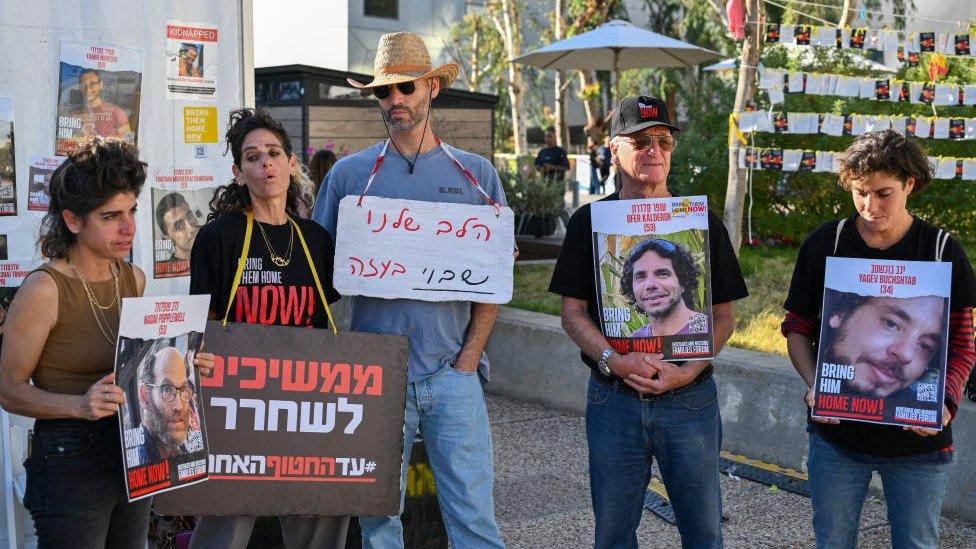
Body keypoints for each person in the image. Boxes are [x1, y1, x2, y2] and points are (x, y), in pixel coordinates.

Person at [312, 32, 505, 549]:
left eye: (406, 88)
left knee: (474, 517)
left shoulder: (477, 176)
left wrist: (470, 358)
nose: (395, 100)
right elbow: (317, 275)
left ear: (432, 88)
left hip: (452, 374)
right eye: (383, 92)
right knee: (377, 518)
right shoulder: (350, 177)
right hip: (374, 375)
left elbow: (494, 282)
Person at [549, 95, 747, 549]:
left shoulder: (702, 223)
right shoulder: (589, 223)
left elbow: (724, 317)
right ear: (613, 150)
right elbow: (572, 313)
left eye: (662, 140)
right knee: (613, 534)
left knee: (704, 532)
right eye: (639, 141)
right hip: (614, 400)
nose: (653, 150)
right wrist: (610, 360)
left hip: (690, 400)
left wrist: (689, 370)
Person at [0, 137, 213, 548]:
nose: (130, 227)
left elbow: (138, 367)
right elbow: (9, 391)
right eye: (111, 216)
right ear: (74, 220)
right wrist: (77, 405)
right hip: (69, 456)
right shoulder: (44, 288)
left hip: (132, 449)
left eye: (132, 210)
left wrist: (187, 365)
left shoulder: (132, 278)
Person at [782, 130, 976, 549]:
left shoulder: (942, 250)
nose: (870, 207)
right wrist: (815, 384)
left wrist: (945, 403)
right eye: (860, 193)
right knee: (832, 541)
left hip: (918, 445)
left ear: (910, 184)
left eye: (883, 193)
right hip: (837, 438)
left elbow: (963, 343)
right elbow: (796, 327)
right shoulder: (826, 244)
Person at [188, 108, 348, 549]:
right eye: (253, 157)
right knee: (226, 524)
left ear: (292, 164)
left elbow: (324, 320)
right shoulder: (218, 237)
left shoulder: (315, 240)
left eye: (274, 153)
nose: (266, 165)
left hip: (307, 404)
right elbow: (200, 324)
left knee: (318, 515)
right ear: (239, 173)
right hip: (240, 405)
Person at [821, 291, 946, 400]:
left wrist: (946, 408)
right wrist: (815, 388)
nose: (906, 354)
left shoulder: (923, 404)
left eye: (925, 346)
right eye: (891, 324)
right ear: (841, 312)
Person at [620, 238, 708, 337]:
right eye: (640, 277)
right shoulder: (635, 340)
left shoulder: (708, 329)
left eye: (662, 274)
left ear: (683, 282)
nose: (650, 285)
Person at [137, 346, 194, 463]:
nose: (179, 406)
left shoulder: (184, 443)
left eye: (184, 389)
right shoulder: (138, 460)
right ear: (145, 397)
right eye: (167, 390)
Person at [73, 69, 133, 142]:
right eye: (83, 84)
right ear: (80, 87)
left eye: (92, 84)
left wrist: (104, 143)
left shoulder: (116, 112)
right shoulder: (74, 114)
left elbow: (130, 141)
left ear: (100, 85)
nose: (88, 89)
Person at [154, 191, 200, 277]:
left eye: (190, 216)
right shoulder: (167, 275)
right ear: (167, 238)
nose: (191, 228)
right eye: (179, 226)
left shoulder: (211, 253)